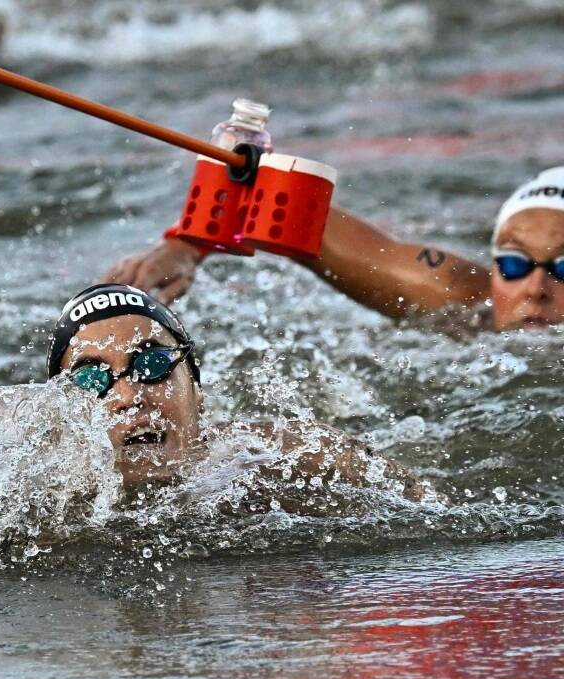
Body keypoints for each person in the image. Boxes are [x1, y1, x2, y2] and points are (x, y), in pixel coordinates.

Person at [47, 284, 428, 506]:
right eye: (91, 380)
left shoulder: (291, 458)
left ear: (197, 394)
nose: (129, 395)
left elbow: (429, 507)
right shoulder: (44, 497)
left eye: (152, 365)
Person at [102, 167, 564, 331]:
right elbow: (282, 207)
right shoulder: (455, 293)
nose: (535, 288)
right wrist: (187, 245)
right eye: (513, 262)